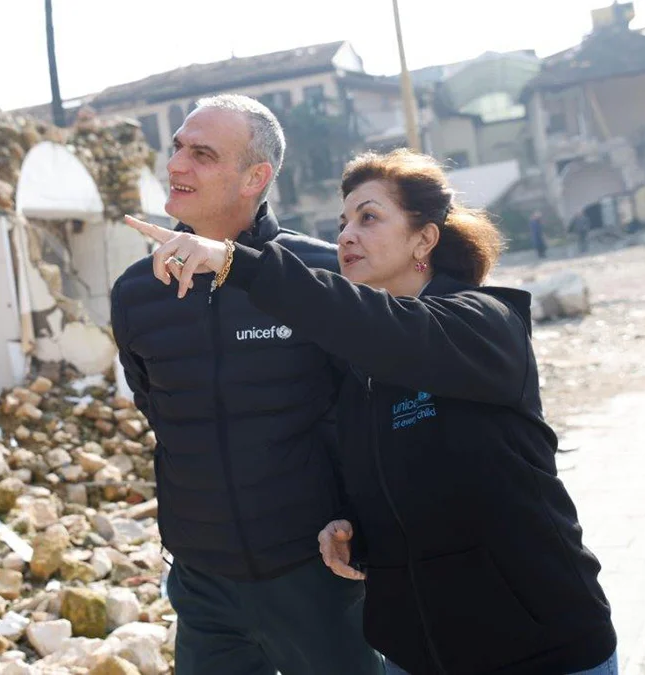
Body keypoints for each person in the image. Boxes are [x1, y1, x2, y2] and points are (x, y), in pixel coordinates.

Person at [125, 148, 618, 675]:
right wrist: (355, 526)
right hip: (424, 656)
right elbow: (408, 481)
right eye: (342, 223)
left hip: (540, 649)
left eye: (369, 217)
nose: (345, 236)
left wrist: (233, 261)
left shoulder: (483, 324)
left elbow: (376, 326)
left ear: (424, 238)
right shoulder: (364, 373)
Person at [109, 94, 385, 675]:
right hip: (202, 584)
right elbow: (159, 411)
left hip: (317, 575)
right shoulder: (137, 291)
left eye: (202, 154)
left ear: (254, 177)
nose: (176, 165)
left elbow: (371, 416)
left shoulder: (321, 275)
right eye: (178, 147)